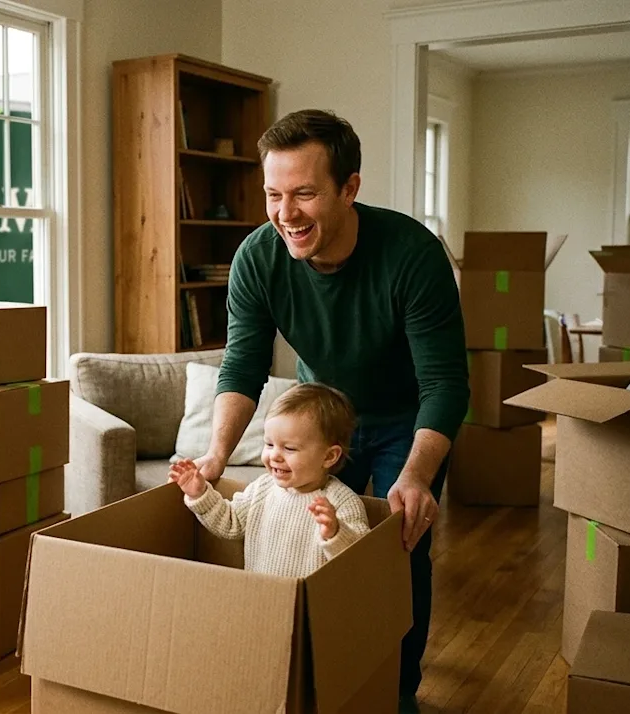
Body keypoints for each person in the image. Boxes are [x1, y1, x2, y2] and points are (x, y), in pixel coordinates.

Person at [193, 109, 468, 712]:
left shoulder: (412, 255)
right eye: (273, 194)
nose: (285, 213)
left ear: (349, 188)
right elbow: (242, 365)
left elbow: (445, 383)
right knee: (313, 544)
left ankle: (395, 690)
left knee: (398, 552)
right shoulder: (258, 257)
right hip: (323, 419)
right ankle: (316, 674)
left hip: (406, 421)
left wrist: (417, 475)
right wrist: (215, 454)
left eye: (304, 193)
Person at [169, 383, 370, 578]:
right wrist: (200, 493)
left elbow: (360, 561)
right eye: (269, 444)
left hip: (312, 600)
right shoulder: (262, 488)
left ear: (329, 457)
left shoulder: (341, 501)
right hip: (262, 594)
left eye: (289, 448)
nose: (274, 456)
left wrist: (335, 533)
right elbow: (230, 522)